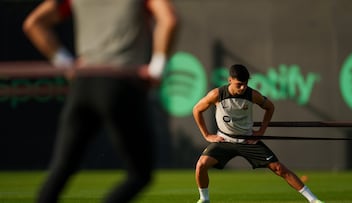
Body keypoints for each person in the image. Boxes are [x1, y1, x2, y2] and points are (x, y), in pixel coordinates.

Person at [22, 0, 177, 202]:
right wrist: (157, 67)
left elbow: (34, 23)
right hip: (121, 83)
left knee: (61, 170)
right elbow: (169, 20)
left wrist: (66, 64)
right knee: (140, 174)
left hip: (83, 84)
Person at [192, 64, 324, 203]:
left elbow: (270, 107)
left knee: (279, 168)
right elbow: (197, 110)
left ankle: (313, 200)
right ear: (230, 80)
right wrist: (207, 135)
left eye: (245, 84)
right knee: (201, 165)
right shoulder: (217, 94)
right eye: (239, 84)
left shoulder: (252, 94)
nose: (243, 88)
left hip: (248, 140)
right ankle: (204, 199)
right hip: (225, 140)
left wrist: (261, 131)